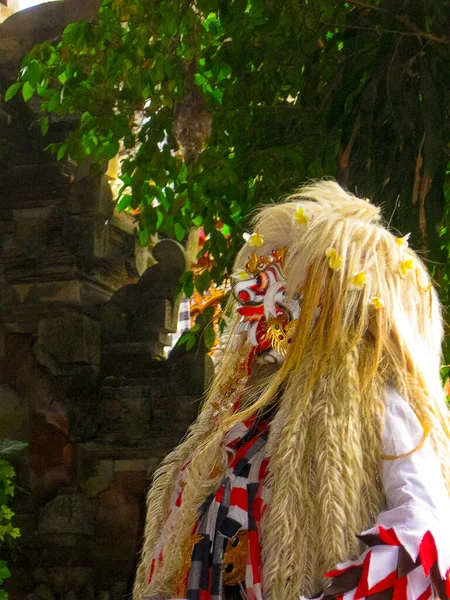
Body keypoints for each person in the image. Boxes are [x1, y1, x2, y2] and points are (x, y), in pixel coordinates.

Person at [133, 181, 450, 600]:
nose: (260, 316)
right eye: (254, 296)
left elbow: (427, 532)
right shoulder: (244, 418)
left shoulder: (374, 402)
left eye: (282, 299)